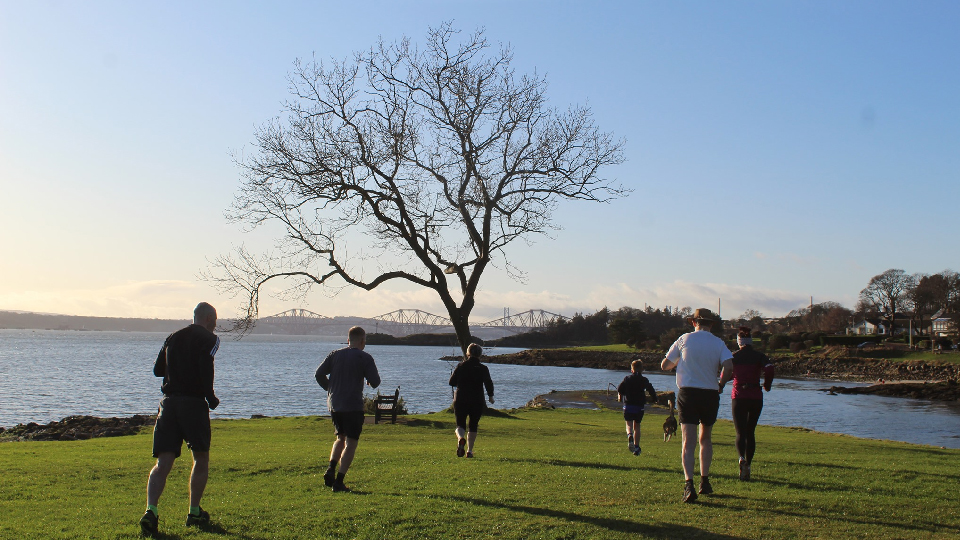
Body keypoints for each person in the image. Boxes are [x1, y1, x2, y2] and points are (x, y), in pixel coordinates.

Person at [140, 302, 221, 535]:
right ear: (207, 318)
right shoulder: (210, 339)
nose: (216, 325)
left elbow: (157, 370)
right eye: (214, 320)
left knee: (163, 462)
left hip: (168, 405)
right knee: (201, 457)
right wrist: (210, 396)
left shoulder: (172, 337)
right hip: (193, 403)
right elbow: (206, 365)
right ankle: (194, 511)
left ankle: (151, 510)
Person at [660, 308, 733, 503]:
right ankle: (705, 480)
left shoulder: (685, 339)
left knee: (688, 441)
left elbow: (665, 365)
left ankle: (688, 484)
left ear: (694, 322)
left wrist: (677, 364)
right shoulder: (718, 343)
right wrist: (721, 384)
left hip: (688, 393)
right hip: (710, 393)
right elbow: (729, 366)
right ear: (711, 324)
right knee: (705, 438)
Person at [315, 326, 381, 492]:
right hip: (352, 405)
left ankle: (330, 468)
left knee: (340, 438)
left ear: (348, 339)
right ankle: (339, 481)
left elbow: (318, 374)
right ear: (362, 341)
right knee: (351, 442)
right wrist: (369, 381)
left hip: (335, 404)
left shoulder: (334, 355)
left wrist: (330, 389)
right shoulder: (364, 357)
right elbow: (376, 381)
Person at [719, 327, 774, 481]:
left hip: (739, 396)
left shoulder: (733, 357)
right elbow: (769, 369)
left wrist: (722, 384)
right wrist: (767, 384)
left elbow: (726, 373)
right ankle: (748, 464)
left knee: (740, 432)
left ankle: (741, 458)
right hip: (756, 396)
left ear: (739, 342)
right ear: (750, 342)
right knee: (750, 432)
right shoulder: (760, 356)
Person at [448, 343, 495, 458]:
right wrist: (490, 396)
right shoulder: (483, 368)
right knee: (473, 425)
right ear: (480, 354)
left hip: (461, 398)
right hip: (477, 399)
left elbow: (451, 382)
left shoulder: (461, 366)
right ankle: (469, 451)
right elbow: (488, 383)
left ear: (468, 353)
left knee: (460, 424)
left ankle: (460, 438)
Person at [617, 359, 658, 456]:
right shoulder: (644, 380)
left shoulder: (627, 379)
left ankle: (629, 435)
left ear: (632, 369)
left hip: (628, 405)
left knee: (629, 424)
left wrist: (623, 394)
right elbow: (650, 389)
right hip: (639, 406)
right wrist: (655, 398)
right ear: (642, 369)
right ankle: (636, 447)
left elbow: (620, 389)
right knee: (637, 426)